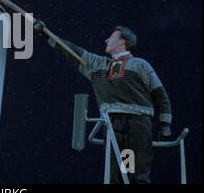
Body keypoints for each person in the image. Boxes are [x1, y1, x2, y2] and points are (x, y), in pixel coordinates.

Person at [34, 23, 172, 184]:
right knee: (116, 175)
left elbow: (160, 94)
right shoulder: (98, 65)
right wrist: (47, 34)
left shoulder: (140, 65)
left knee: (136, 173)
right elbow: (72, 52)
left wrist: (165, 124)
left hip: (138, 124)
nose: (106, 40)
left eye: (111, 37)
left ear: (122, 41)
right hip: (112, 124)